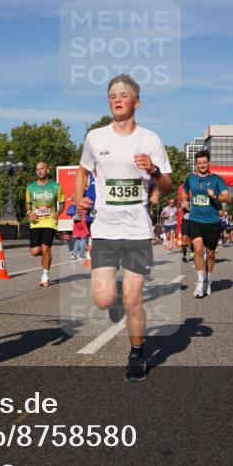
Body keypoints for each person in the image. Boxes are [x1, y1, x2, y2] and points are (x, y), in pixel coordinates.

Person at [75, 74, 171, 382]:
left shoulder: (150, 139)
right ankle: (114, 295)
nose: (116, 99)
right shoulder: (95, 137)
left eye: (123, 95)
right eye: (112, 95)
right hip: (103, 230)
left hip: (136, 232)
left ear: (136, 102)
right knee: (104, 300)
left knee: (132, 299)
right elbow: (82, 172)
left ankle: (136, 353)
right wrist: (80, 199)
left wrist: (154, 170)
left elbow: (166, 184)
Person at [182, 150, 230, 298]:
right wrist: (184, 200)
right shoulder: (191, 178)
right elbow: (184, 190)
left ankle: (209, 279)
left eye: (204, 162)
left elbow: (227, 197)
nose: (202, 165)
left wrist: (215, 196)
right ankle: (200, 282)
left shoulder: (216, 179)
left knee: (210, 254)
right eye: (199, 163)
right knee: (197, 250)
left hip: (212, 221)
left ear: (209, 163)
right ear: (196, 164)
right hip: (195, 219)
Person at [26, 161, 65, 287]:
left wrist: (58, 213)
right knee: (35, 251)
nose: (39, 171)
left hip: (49, 221)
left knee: (45, 248)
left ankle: (45, 275)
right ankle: (46, 255)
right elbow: (28, 202)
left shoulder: (56, 187)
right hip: (36, 222)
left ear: (47, 170)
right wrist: (29, 212)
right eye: (37, 169)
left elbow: (62, 203)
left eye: (42, 168)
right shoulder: (30, 187)